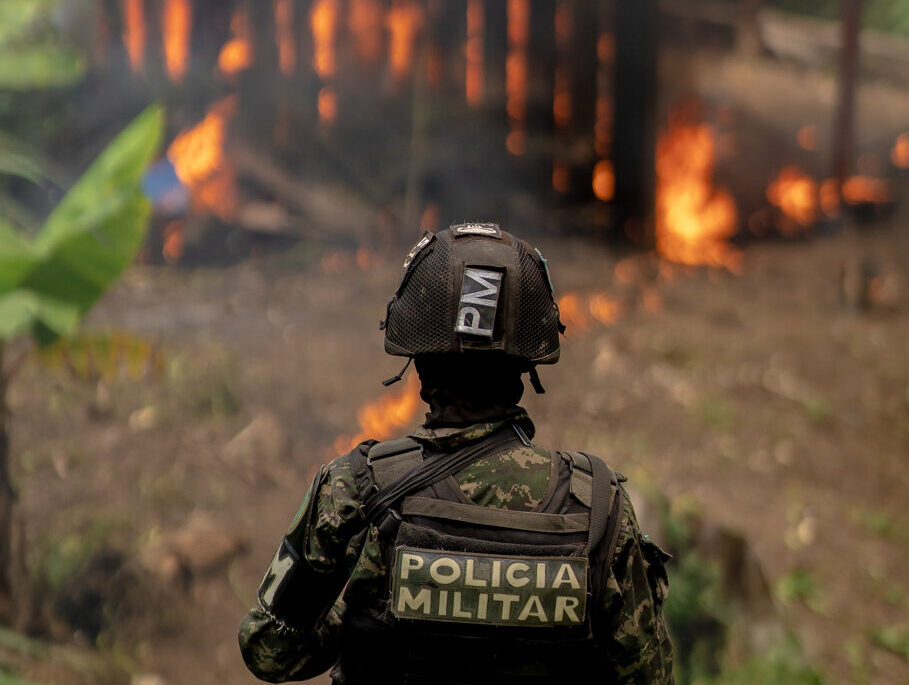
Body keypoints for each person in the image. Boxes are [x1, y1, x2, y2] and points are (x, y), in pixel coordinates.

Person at [238, 223, 674, 684]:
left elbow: (270, 650)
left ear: (419, 362)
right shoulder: (597, 509)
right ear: (527, 365)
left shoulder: (354, 490)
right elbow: (650, 676)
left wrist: (362, 612)